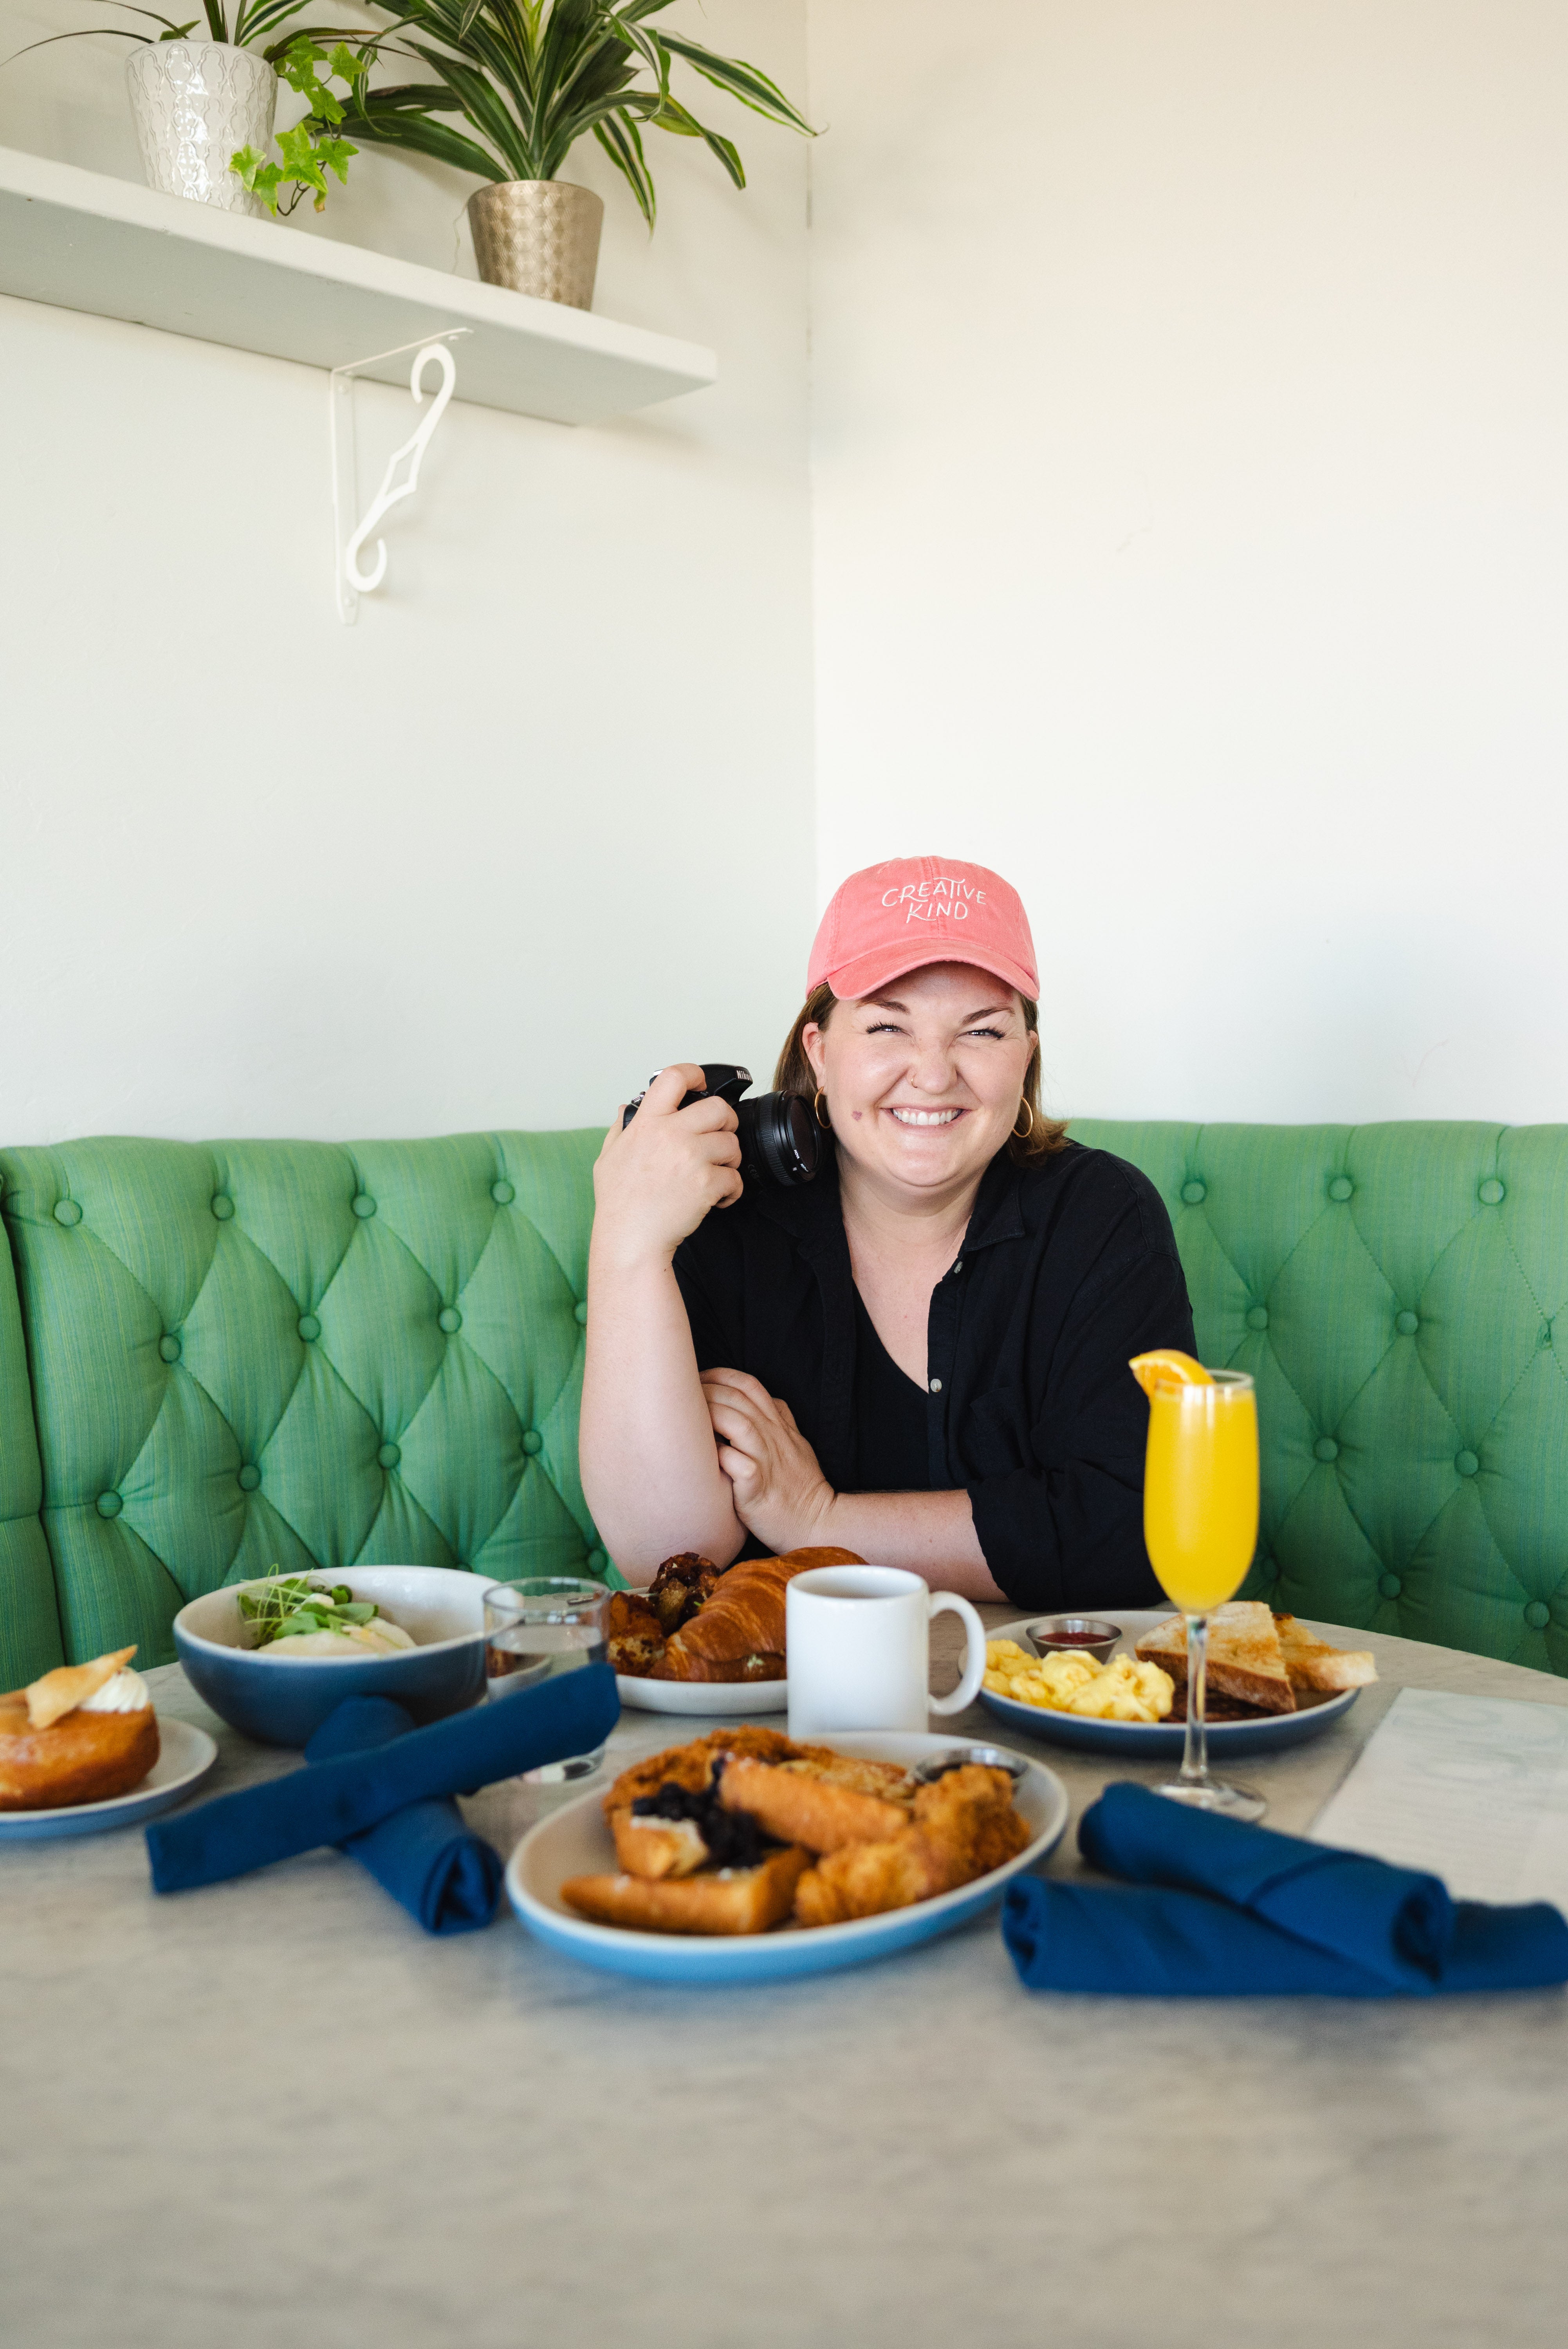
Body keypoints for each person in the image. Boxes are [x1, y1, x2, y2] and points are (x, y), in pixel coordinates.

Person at [580, 856, 1196, 1609]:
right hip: (775, 1706)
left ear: (1024, 1058)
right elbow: (667, 1558)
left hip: (1041, 1706)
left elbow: (1136, 1532)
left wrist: (819, 1521)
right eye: (885, 1026)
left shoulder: (1101, 1215)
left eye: (981, 1031)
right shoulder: (723, 1213)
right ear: (819, 1053)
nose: (933, 1075)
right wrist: (627, 1243)